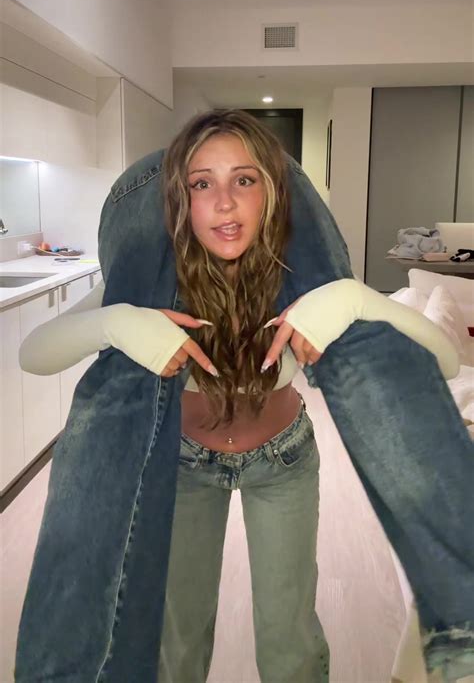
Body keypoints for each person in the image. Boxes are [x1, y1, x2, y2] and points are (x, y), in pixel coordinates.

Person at [15, 110, 474, 683]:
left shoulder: (300, 278)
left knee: (289, 640)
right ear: (179, 200)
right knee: (179, 640)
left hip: (282, 462)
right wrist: (114, 321)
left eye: (244, 179)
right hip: (182, 466)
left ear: (272, 194)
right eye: (201, 183)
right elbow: (33, 353)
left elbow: (446, 360)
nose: (224, 203)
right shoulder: (148, 283)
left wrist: (359, 299)